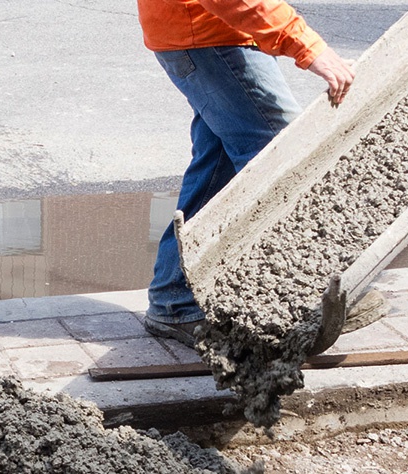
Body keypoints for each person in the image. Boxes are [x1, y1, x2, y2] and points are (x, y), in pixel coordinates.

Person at [137, 0, 355, 347]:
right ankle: (306, 299)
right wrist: (305, 44)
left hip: (213, 32)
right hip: (213, 35)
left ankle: (175, 298)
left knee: (218, 171)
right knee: (284, 165)